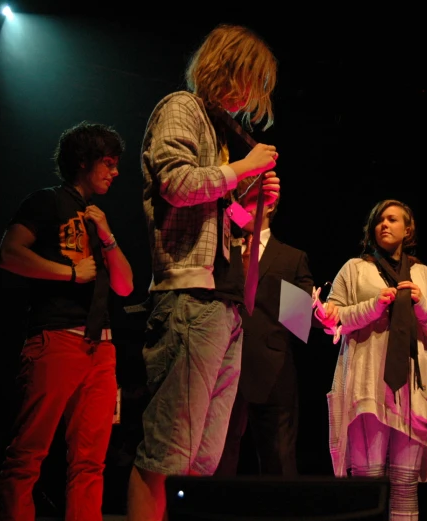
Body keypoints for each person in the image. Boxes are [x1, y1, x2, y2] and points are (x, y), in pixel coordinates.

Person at [127, 23, 281, 521]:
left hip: (224, 303)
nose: (249, 98)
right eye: (250, 81)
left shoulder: (214, 131)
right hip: (190, 298)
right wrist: (240, 170)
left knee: (201, 458)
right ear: (227, 68)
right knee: (168, 452)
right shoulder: (181, 108)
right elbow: (174, 183)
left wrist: (246, 198)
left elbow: (212, 212)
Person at [0, 121, 134, 521]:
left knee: (91, 462)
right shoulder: (47, 201)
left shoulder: (98, 218)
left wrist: (107, 236)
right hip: (57, 338)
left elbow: (125, 287)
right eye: (107, 163)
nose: (115, 171)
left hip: (101, 348)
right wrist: (70, 273)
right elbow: (8, 253)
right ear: (83, 162)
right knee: (27, 455)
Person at [325, 199, 427, 521]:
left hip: (412, 390)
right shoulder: (355, 269)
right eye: (380, 219)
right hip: (368, 384)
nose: (385, 224)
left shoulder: (424, 274)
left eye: (393, 219)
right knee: (368, 481)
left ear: (407, 229)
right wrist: (373, 307)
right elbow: (332, 318)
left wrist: (421, 305)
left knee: (405, 485)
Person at [214, 177, 338, 478]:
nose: (243, 199)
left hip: (271, 370)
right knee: (216, 459)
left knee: (278, 462)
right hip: (218, 363)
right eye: (240, 195)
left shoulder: (290, 258)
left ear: (269, 204)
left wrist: (320, 314)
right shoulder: (218, 246)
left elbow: (298, 318)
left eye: (252, 195)